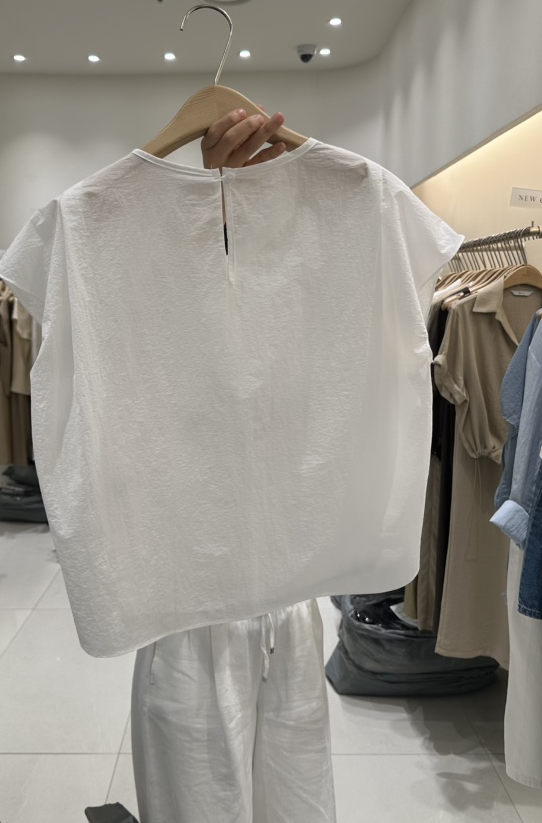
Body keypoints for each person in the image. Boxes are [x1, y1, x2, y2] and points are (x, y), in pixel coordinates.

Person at [130, 109, 337, 823]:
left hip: (291, 604)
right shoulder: (149, 287)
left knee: (299, 801)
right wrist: (211, 204)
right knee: (199, 800)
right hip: (191, 603)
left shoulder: (322, 277)